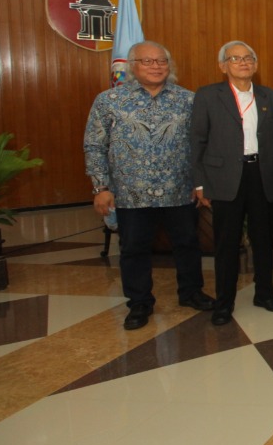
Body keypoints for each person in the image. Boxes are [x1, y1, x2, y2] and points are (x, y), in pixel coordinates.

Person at [84, 40, 214, 330]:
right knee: (133, 249)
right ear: (132, 67)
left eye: (161, 61)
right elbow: (94, 145)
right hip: (131, 193)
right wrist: (100, 187)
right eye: (148, 61)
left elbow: (200, 145)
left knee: (188, 245)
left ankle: (191, 292)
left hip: (179, 189)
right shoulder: (109, 101)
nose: (156, 67)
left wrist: (200, 183)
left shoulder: (188, 100)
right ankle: (140, 302)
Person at [190, 40, 273, 326]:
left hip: (262, 176)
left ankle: (265, 293)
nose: (243, 63)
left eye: (248, 58)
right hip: (225, 178)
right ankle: (224, 302)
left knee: (263, 239)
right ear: (223, 66)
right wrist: (199, 183)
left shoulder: (272, 97)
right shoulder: (208, 96)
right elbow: (197, 141)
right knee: (227, 243)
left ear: (255, 65)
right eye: (235, 58)